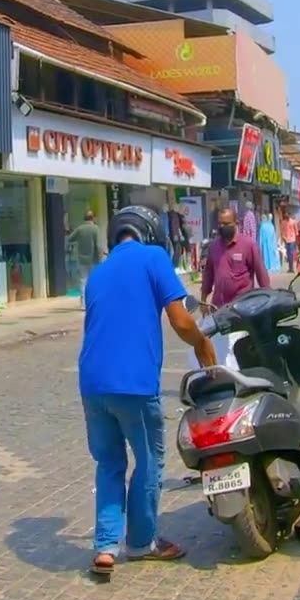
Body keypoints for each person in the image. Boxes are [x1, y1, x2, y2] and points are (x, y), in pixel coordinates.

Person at [79, 206, 217, 576]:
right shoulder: (153, 257)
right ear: (151, 233)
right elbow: (180, 318)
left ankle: (106, 547)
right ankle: (140, 543)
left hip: (92, 383)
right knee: (149, 461)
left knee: (109, 463)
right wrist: (203, 345)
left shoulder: (98, 273)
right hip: (134, 384)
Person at [201, 205, 270, 366]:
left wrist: (268, 300)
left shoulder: (248, 245)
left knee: (240, 350)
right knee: (222, 352)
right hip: (219, 309)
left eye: (226, 224)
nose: (222, 227)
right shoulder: (214, 247)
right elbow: (208, 274)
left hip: (243, 310)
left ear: (236, 223)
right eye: (220, 224)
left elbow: (261, 275)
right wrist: (204, 298)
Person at [67, 211, 107, 307]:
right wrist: (101, 256)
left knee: (83, 281)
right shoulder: (95, 228)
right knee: (94, 280)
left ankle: (84, 304)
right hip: (94, 259)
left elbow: (70, 238)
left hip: (81, 259)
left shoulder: (80, 229)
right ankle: (94, 302)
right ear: (93, 218)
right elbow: (98, 245)